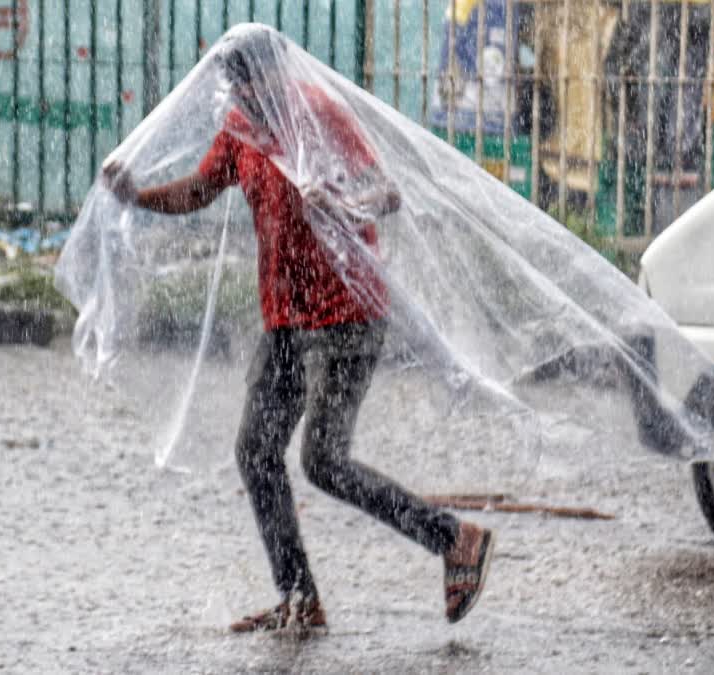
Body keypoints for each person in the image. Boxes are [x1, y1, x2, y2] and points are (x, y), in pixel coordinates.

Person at [102, 26, 494, 633]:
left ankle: (455, 539)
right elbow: (202, 189)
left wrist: (337, 198)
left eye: (250, 82)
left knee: (323, 461)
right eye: (234, 85)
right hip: (285, 321)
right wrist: (139, 196)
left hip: (346, 315)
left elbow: (384, 192)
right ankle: (299, 599)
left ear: (276, 75)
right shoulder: (242, 127)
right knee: (256, 452)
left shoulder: (318, 115)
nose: (242, 95)